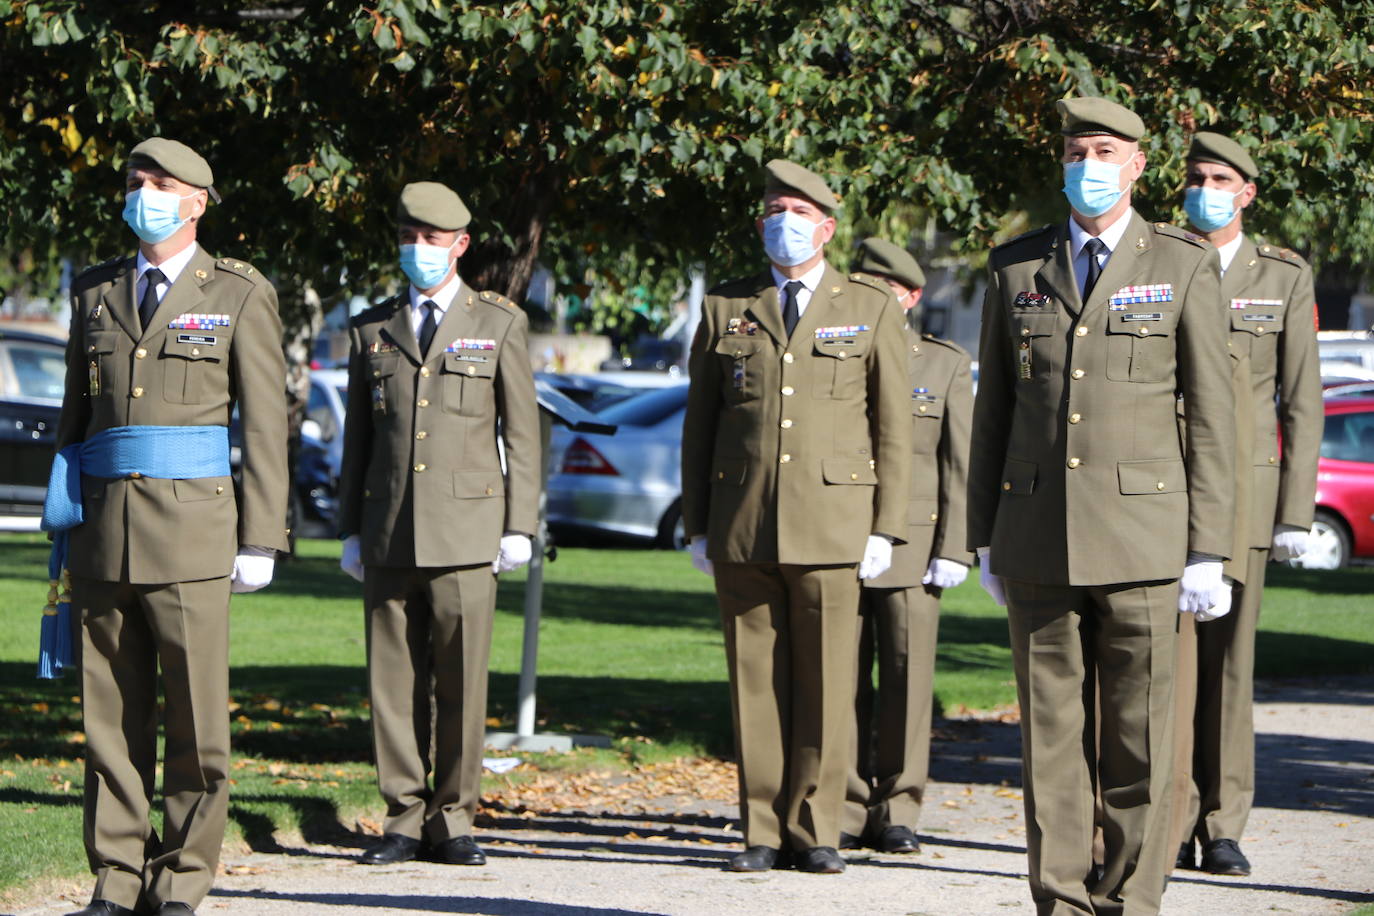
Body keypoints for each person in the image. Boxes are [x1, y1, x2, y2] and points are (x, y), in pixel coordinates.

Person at [967, 98, 1235, 914]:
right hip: (1038, 538)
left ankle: (1131, 899)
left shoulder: (1182, 263)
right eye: (1079, 149)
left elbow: (1216, 415)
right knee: (1051, 744)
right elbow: (995, 416)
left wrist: (1208, 546)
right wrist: (982, 536)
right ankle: (1060, 900)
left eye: (1108, 151)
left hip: (1145, 540)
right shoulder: (1018, 267)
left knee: (1140, 745)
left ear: (1139, 166)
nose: (1091, 164)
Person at [50, 138, 289, 916]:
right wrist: (66, 515)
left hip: (193, 537)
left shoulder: (240, 294)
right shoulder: (94, 292)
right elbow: (73, 421)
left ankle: (183, 877)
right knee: (109, 722)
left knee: (196, 725)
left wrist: (261, 538)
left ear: (197, 201)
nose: (141, 193)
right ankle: (117, 877)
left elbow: (265, 426)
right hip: (104, 533)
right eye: (133, 181)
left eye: (158, 183)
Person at [681, 159, 911, 874]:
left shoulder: (868, 306)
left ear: (828, 228)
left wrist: (885, 526)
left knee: (826, 683)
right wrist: (697, 521)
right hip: (744, 519)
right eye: (776, 210)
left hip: (834, 523)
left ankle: (816, 830)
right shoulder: (726, 306)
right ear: (761, 225)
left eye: (801, 212)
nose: (787, 223)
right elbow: (703, 421)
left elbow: (894, 427)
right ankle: (759, 828)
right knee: (755, 681)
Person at [336, 181, 539, 869]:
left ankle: (453, 817)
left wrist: (520, 524)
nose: (416, 249)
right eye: (406, 237)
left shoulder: (499, 323)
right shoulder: (372, 328)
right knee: (393, 682)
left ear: (458, 245)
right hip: (390, 525)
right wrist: (348, 528)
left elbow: (523, 433)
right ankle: (401, 816)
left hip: (467, 528)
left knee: (460, 679)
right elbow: (357, 440)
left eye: (430, 238)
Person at [1171, 131, 1322, 877]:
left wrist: (1294, 512)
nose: (1205, 188)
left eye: (1220, 178)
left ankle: (1223, 823)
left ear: (1247, 192)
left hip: (1245, 502)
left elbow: (1302, 401)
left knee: (1229, 669)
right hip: (1164, 492)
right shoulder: (1159, 262)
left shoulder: (1283, 276)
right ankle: (1169, 817)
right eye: (1196, 176)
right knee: (1167, 670)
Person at [840, 238, 972, 854]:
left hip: (913, 548)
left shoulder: (942, 364)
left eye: (884, 291)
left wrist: (955, 546)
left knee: (906, 681)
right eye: (861, 288)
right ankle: (841, 807)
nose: (872, 301)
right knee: (839, 684)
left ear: (912, 298)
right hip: (837, 538)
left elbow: (959, 465)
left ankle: (897, 810)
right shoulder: (834, 352)